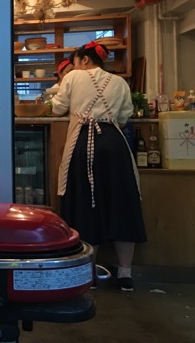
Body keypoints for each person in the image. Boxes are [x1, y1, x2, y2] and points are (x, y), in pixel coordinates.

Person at [52, 42, 146, 291]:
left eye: (75, 61)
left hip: (84, 142)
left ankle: (89, 272)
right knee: (122, 202)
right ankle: (125, 274)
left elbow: (58, 107)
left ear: (84, 60)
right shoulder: (119, 82)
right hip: (114, 143)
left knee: (87, 203)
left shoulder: (73, 77)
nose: (74, 65)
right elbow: (124, 116)